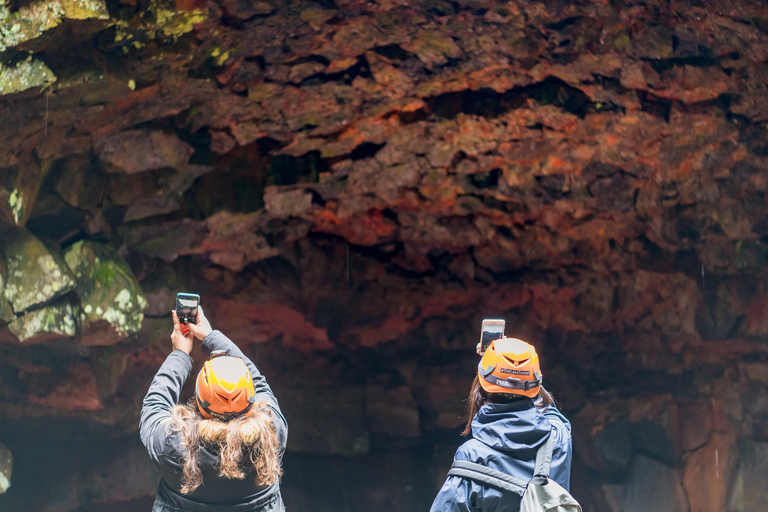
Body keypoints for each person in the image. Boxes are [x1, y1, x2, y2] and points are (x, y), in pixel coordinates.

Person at [140, 305, 287, 512]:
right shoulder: (271, 434)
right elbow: (259, 382)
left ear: (199, 400)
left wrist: (181, 353)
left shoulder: (171, 444)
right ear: (250, 398)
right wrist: (210, 336)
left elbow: (155, 404)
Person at [431, 337, 573, 512]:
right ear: (535, 385)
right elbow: (546, 404)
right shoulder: (559, 437)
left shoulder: (472, 455)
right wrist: (521, 372)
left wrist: (494, 366)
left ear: (481, 387)